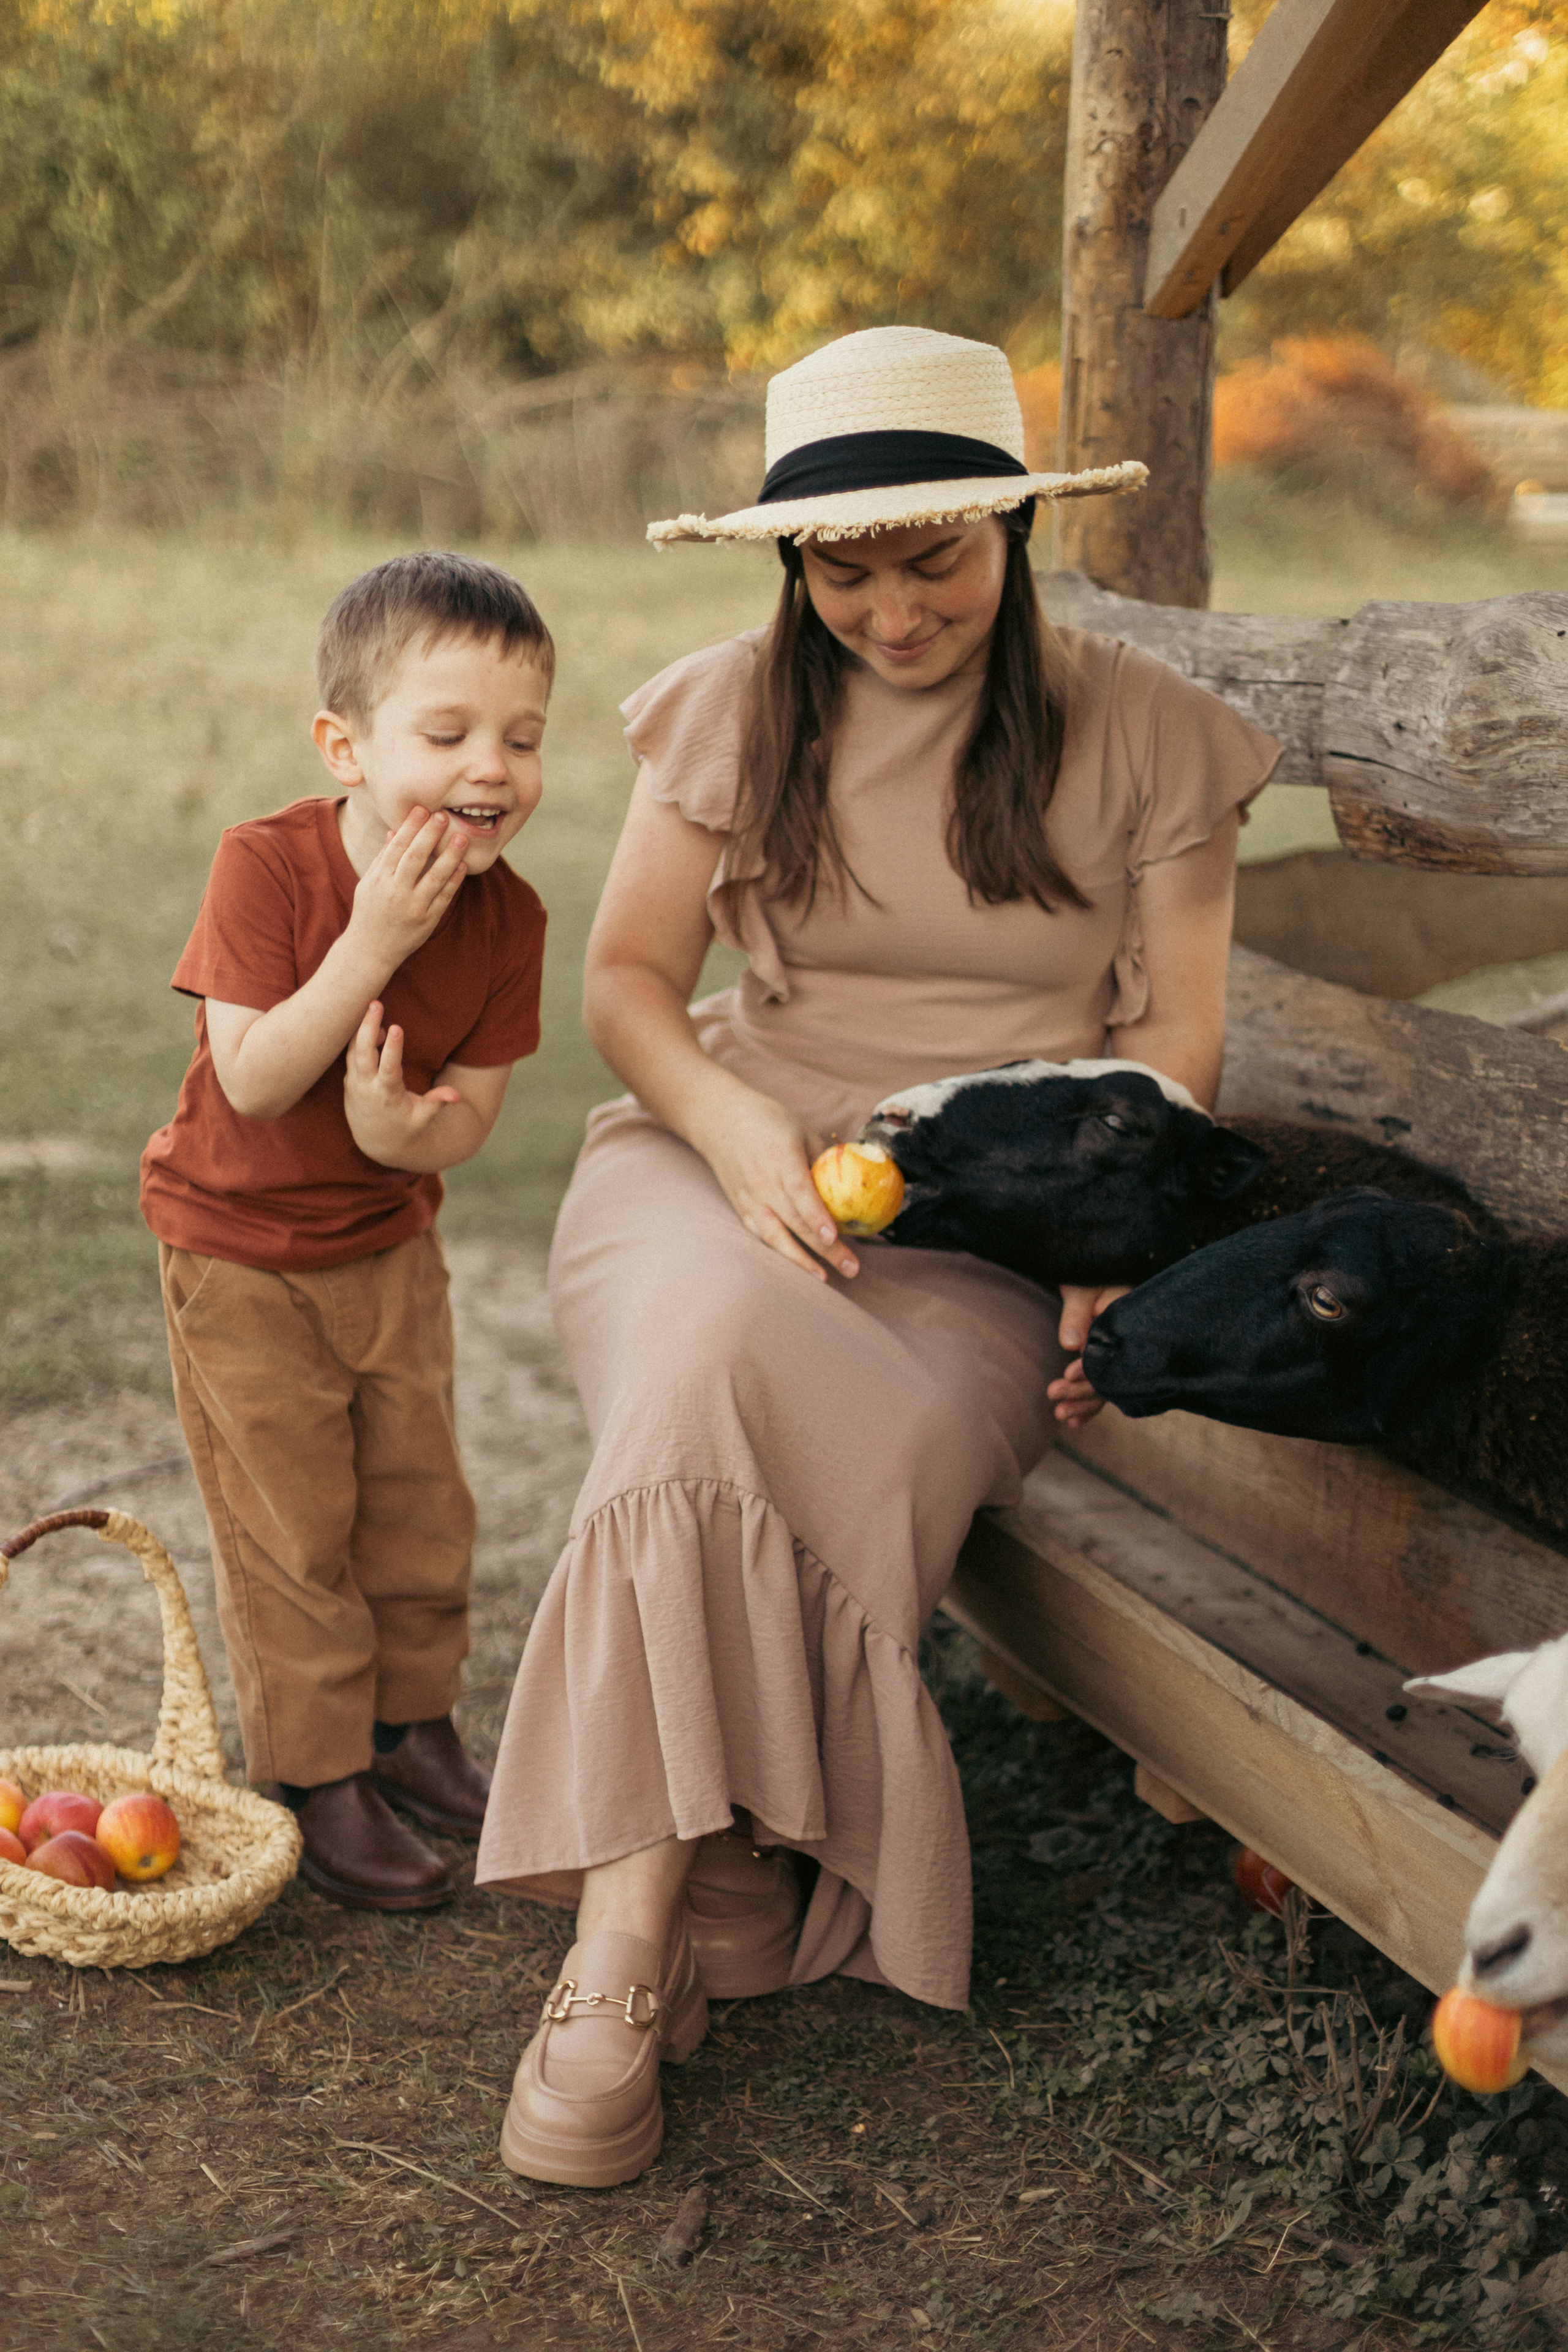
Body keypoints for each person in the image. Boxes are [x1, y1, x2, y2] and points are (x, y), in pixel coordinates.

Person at [475, 326, 1281, 2186]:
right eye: (843, 567)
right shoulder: (733, 711)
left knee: (876, 1428)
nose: (891, 608)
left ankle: (735, 1871)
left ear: (1013, 529)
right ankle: (623, 1943)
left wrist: (1100, 1233)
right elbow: (623, 985)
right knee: (698, 1360)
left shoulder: (1148, 733)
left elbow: (1174, 1050)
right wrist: (739, 1129)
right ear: (790, 563)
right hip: (713, 1153)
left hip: (985, 1216)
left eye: (935, 558)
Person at [141, 551, 551, 1912]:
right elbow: (254, 1078)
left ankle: (413, 1727)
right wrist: (370, 944)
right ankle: (319, 1775)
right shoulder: (268, 868)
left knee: (420, 1502)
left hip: (386, 1247)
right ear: (348, 746)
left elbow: (469, 1116)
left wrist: (399, 1136)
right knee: (293, 1523)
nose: (488, 768)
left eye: (521, 738)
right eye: (446, 736)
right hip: (239, 1254)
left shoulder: (511, 918)